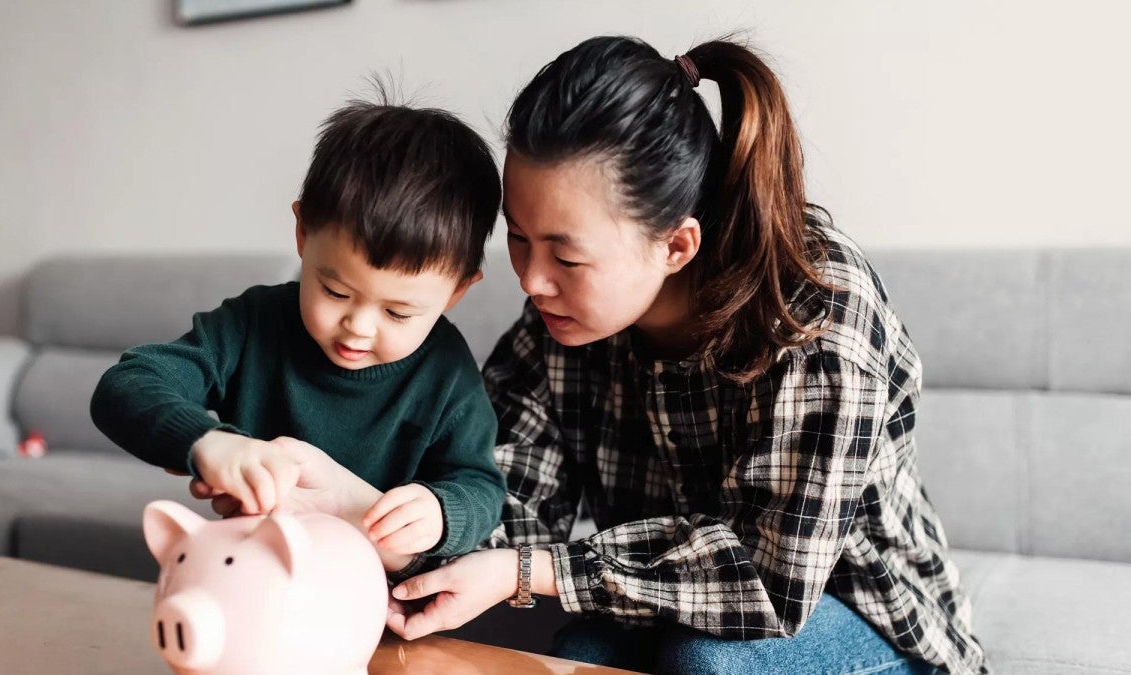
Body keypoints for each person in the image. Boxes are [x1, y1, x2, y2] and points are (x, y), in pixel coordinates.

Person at [377, 36, 988, 673]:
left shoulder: (818, 316)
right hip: (671, 607)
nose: (531, 280)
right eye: (520, 238)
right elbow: (510, 488)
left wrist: (532, 570)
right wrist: (427, 522)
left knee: (705, 663)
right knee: (583, 652)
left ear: (676, 246)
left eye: (566, 255)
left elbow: (770, 583)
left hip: (866, 620)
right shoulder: (566, 317)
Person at [90, 100, 506, 571]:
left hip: (374, 593)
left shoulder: (446, 370)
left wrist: (442, 511)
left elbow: (482, 487)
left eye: (397, 312)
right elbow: (125, 387)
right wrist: (207, 442)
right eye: (335, 291)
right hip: (254, 572)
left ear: (457, 290)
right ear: (303, 233)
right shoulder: (253, 323)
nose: (359, 327)